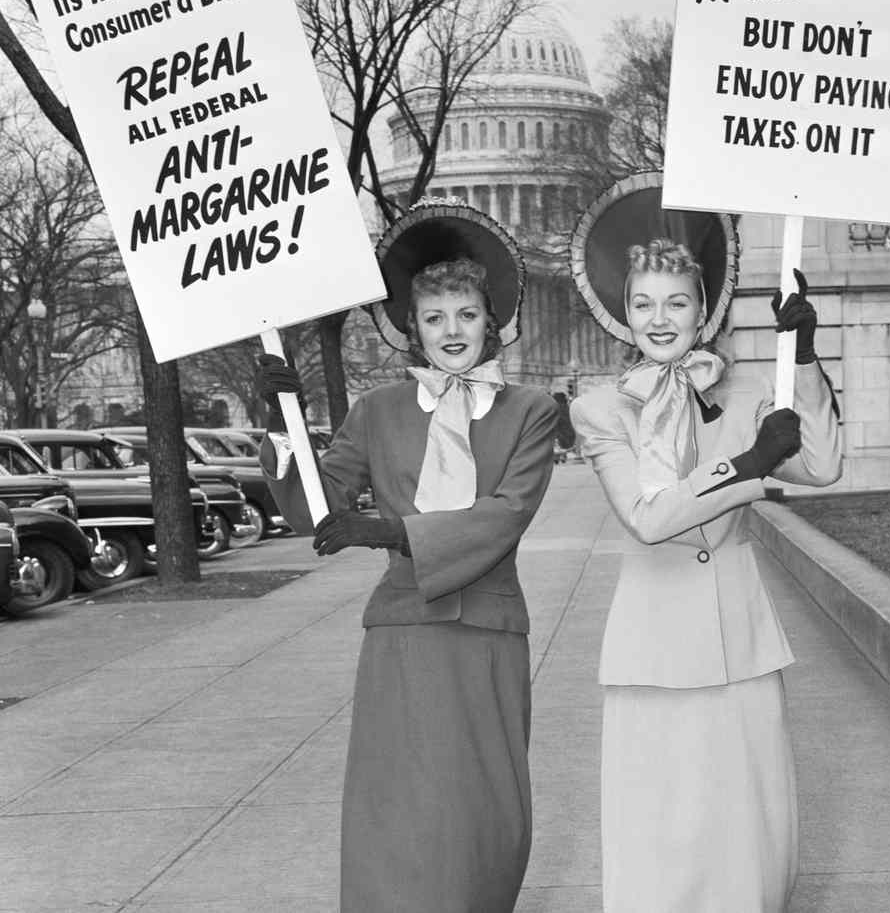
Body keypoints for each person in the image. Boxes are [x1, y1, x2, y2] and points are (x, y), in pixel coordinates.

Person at [254, 198, 558, 913]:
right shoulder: (377, 411)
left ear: (492, 320)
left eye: (466, 314)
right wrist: (279, 422)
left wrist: (389, 531)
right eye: (434, 317)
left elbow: (504, 514)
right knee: (400, 809)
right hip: (402, 632)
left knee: (486, 812)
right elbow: (313, 510)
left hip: (485, 629)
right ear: (411, 331)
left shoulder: (530, 410)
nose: (452, 331)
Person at [567, 172, 843, 912]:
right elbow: (650, 518)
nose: (661, 319)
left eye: (677, 301)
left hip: (736, 641)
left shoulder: (748, 393)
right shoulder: (600, 411)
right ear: (623, 313)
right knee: (660, 831)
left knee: (746, 828)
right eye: (644, 303)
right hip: (652, 648)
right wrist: (745, 465)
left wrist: (805, 359)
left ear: (705, 308)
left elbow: (821, 464)